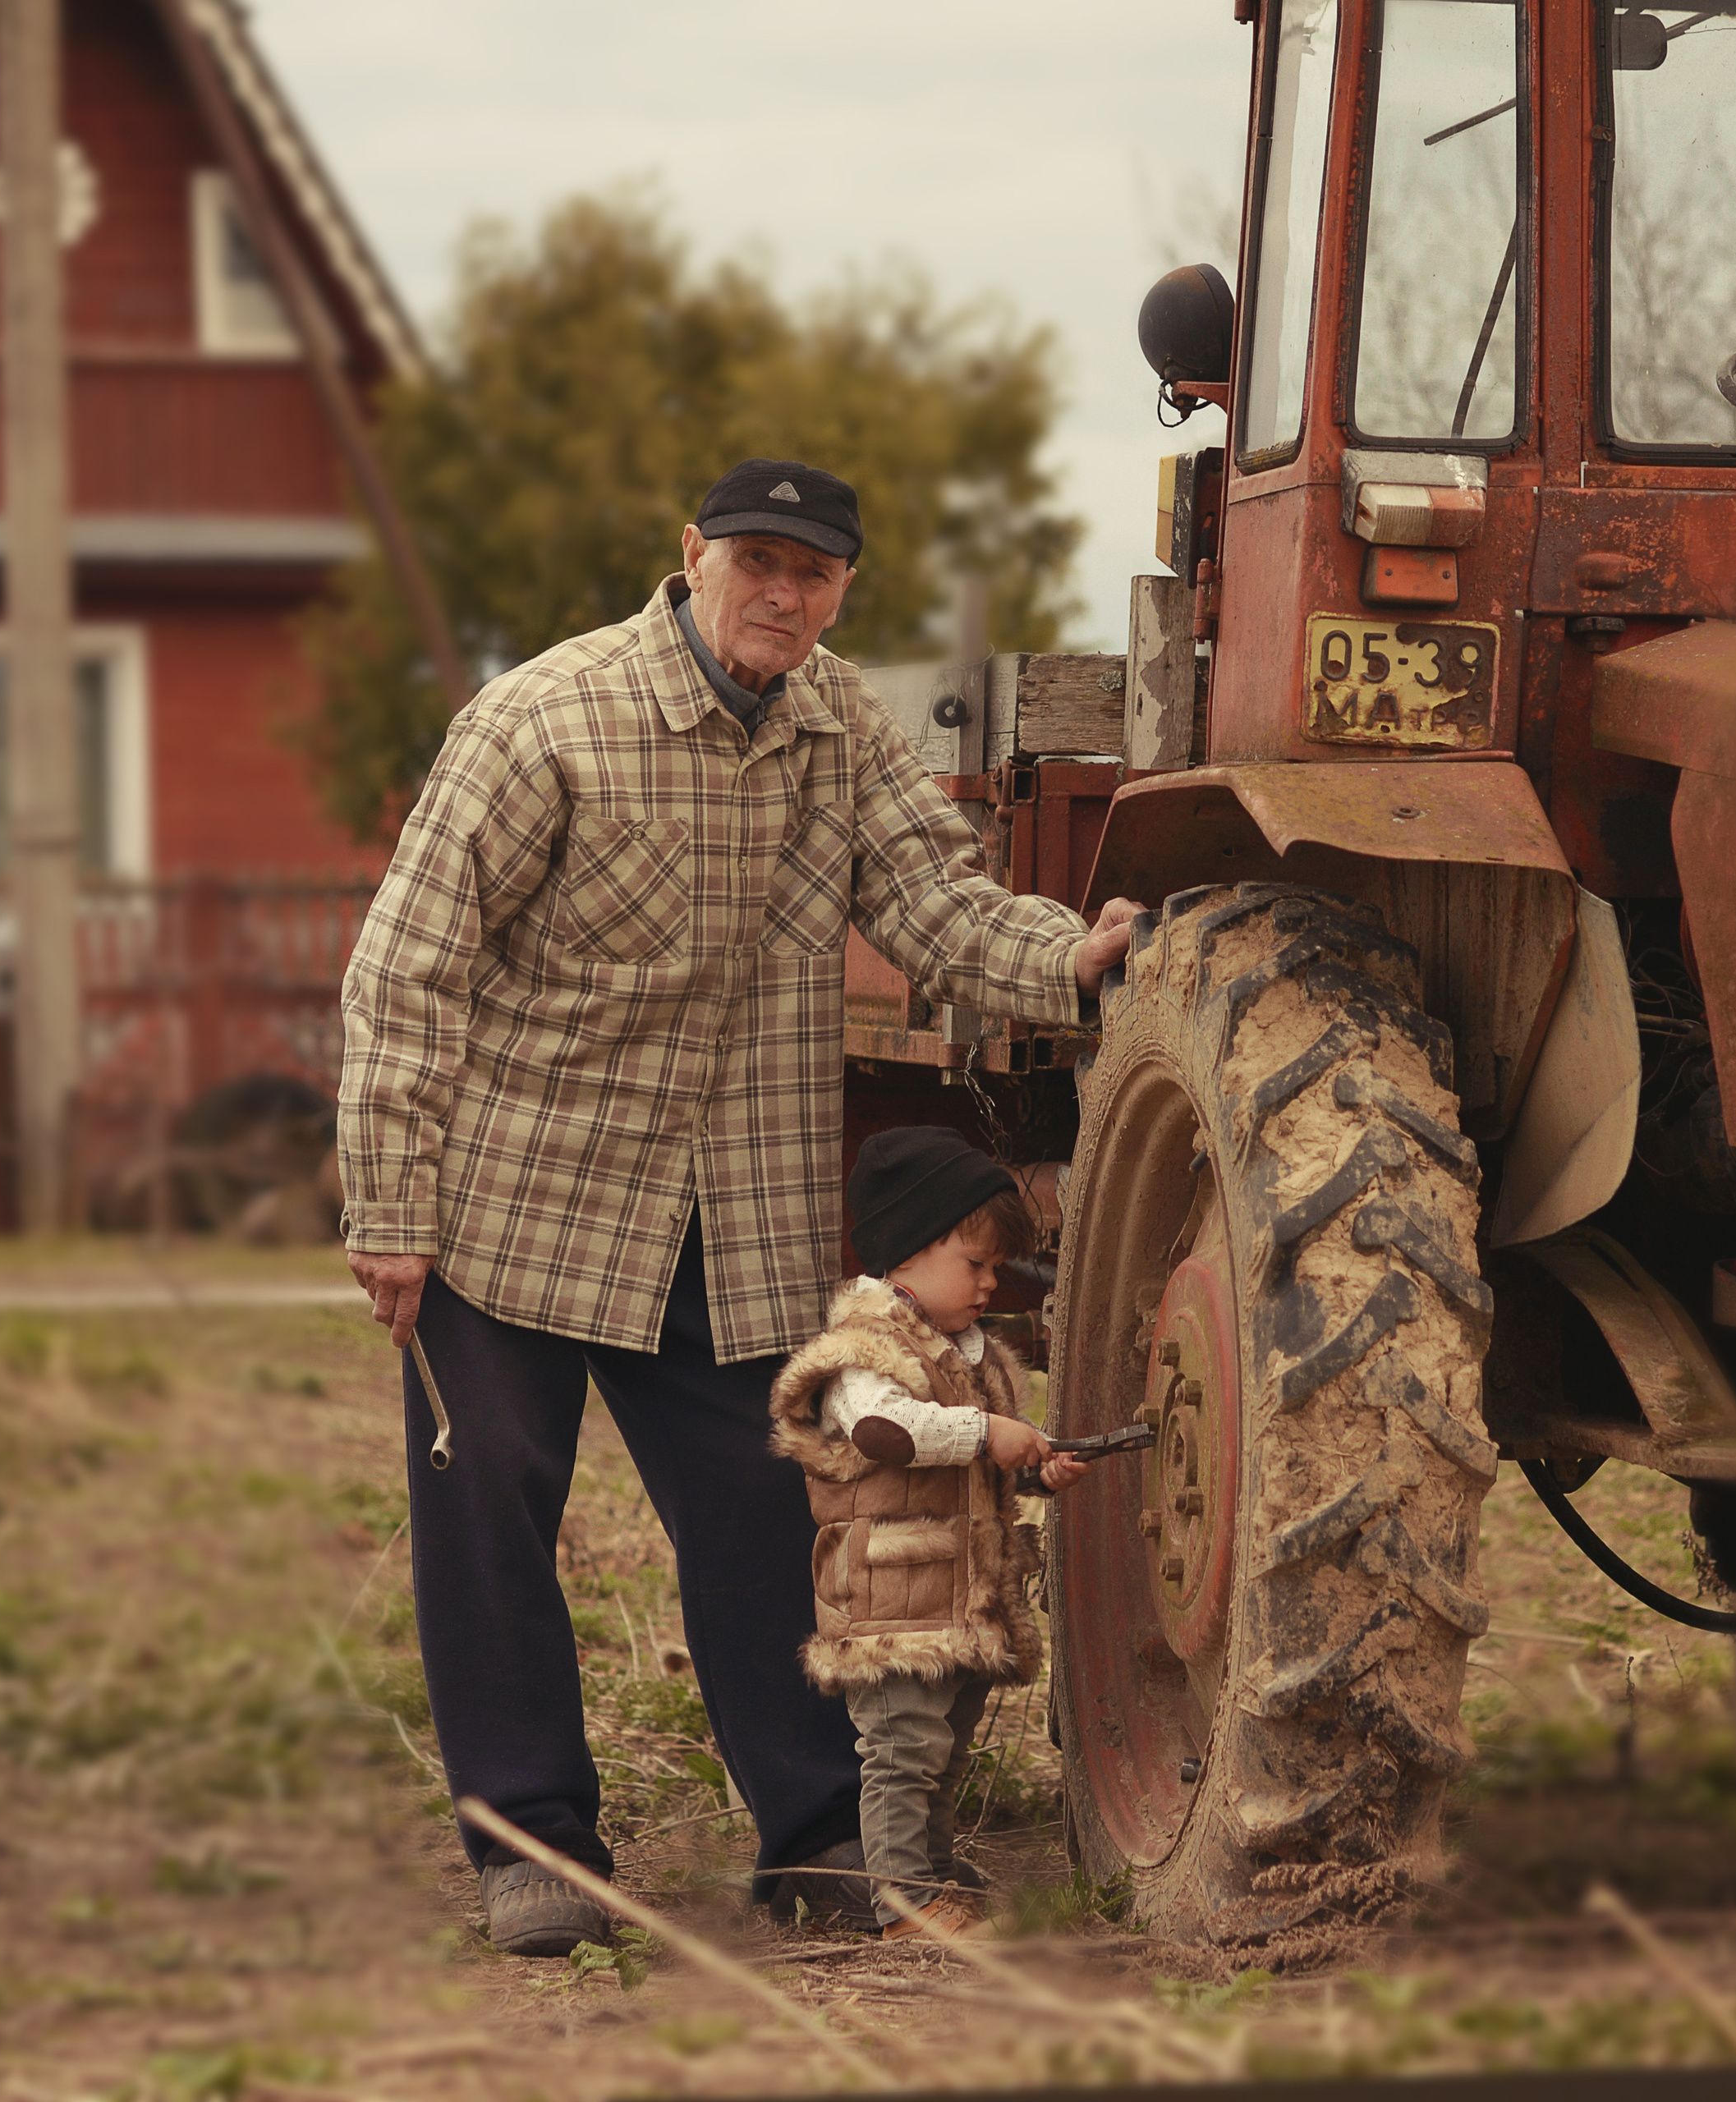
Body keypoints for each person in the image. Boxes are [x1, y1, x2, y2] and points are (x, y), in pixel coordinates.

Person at [340, 456, 1141, 1956]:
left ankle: (816, 1829)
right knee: (492, 1508)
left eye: (815, 573)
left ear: (844, 589)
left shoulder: (844, 728)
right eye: (758, 562)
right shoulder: (544, 722)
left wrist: (1073, 958)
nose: (783, 594)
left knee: (772, 1513)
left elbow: (935, 907)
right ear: (692, 556)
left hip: (733, 1207)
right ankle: (533, 1845)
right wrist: (390, 1206)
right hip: (512, 1201)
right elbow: (408, 971)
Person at [769, 1127, 1091, 1939]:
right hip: (893, 1599)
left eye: (996, 1266)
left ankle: (932, 1882)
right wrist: (988, 1432)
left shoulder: (968, 1355)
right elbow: (887, 1435)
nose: (992, 1281)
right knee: (902, 1748)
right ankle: (903, 1902)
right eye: (974, 1263)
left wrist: (1026, 1468)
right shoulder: (862, 1352)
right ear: (907, 1252)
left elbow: (959, 1465)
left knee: (941, 1752)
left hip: (959, 1596)